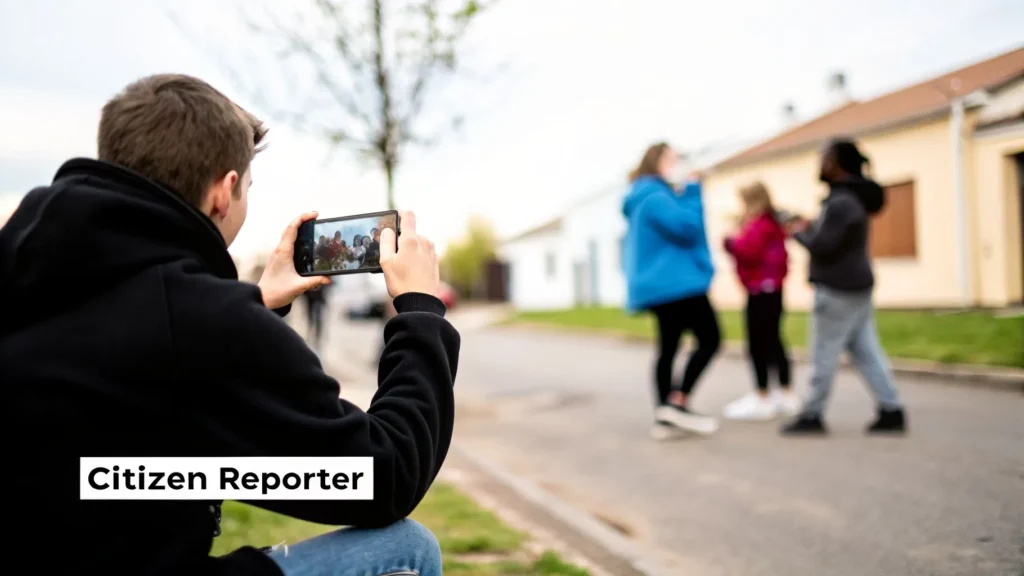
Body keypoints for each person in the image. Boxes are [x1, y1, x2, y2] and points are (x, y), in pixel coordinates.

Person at [1, 73, 457, 576]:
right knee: (406, 549)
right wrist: (419, 313)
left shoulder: (29, 267)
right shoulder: (199, 318)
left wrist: (256, 305)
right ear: (225, 190)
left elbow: (139, 379)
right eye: (248, 188)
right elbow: (384, 477)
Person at [780, 137, 906, 435]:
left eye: (824, 157)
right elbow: (834, 238)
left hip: (838, 290)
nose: (819, 163)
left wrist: (798, 232)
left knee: (824, 352)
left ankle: (812, 414)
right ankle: (891, 409)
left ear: (837, 164)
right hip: (856, 287)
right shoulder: (852, 199)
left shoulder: (841, 202)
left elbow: (824, 246)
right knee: (866, 351)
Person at [621, 142, 721, 440]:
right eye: (673, 159)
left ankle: (665, 417)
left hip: (661, 285)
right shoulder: (655, 196)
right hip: (676, 284)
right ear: (658, 162)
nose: (677, 164)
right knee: (709, 338)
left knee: (668, 348)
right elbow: (687, 228)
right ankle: (676, 403)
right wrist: (692, 189)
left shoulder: (642, 196)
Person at [721, 182, 799, 420]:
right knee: (774, 340)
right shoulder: (773, 223)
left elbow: (749, 251)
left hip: (760, 291)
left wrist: (730, 242)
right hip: (773, 289)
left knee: (758, 344)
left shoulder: (759, 224)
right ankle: (785, 392)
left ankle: (762, 395)